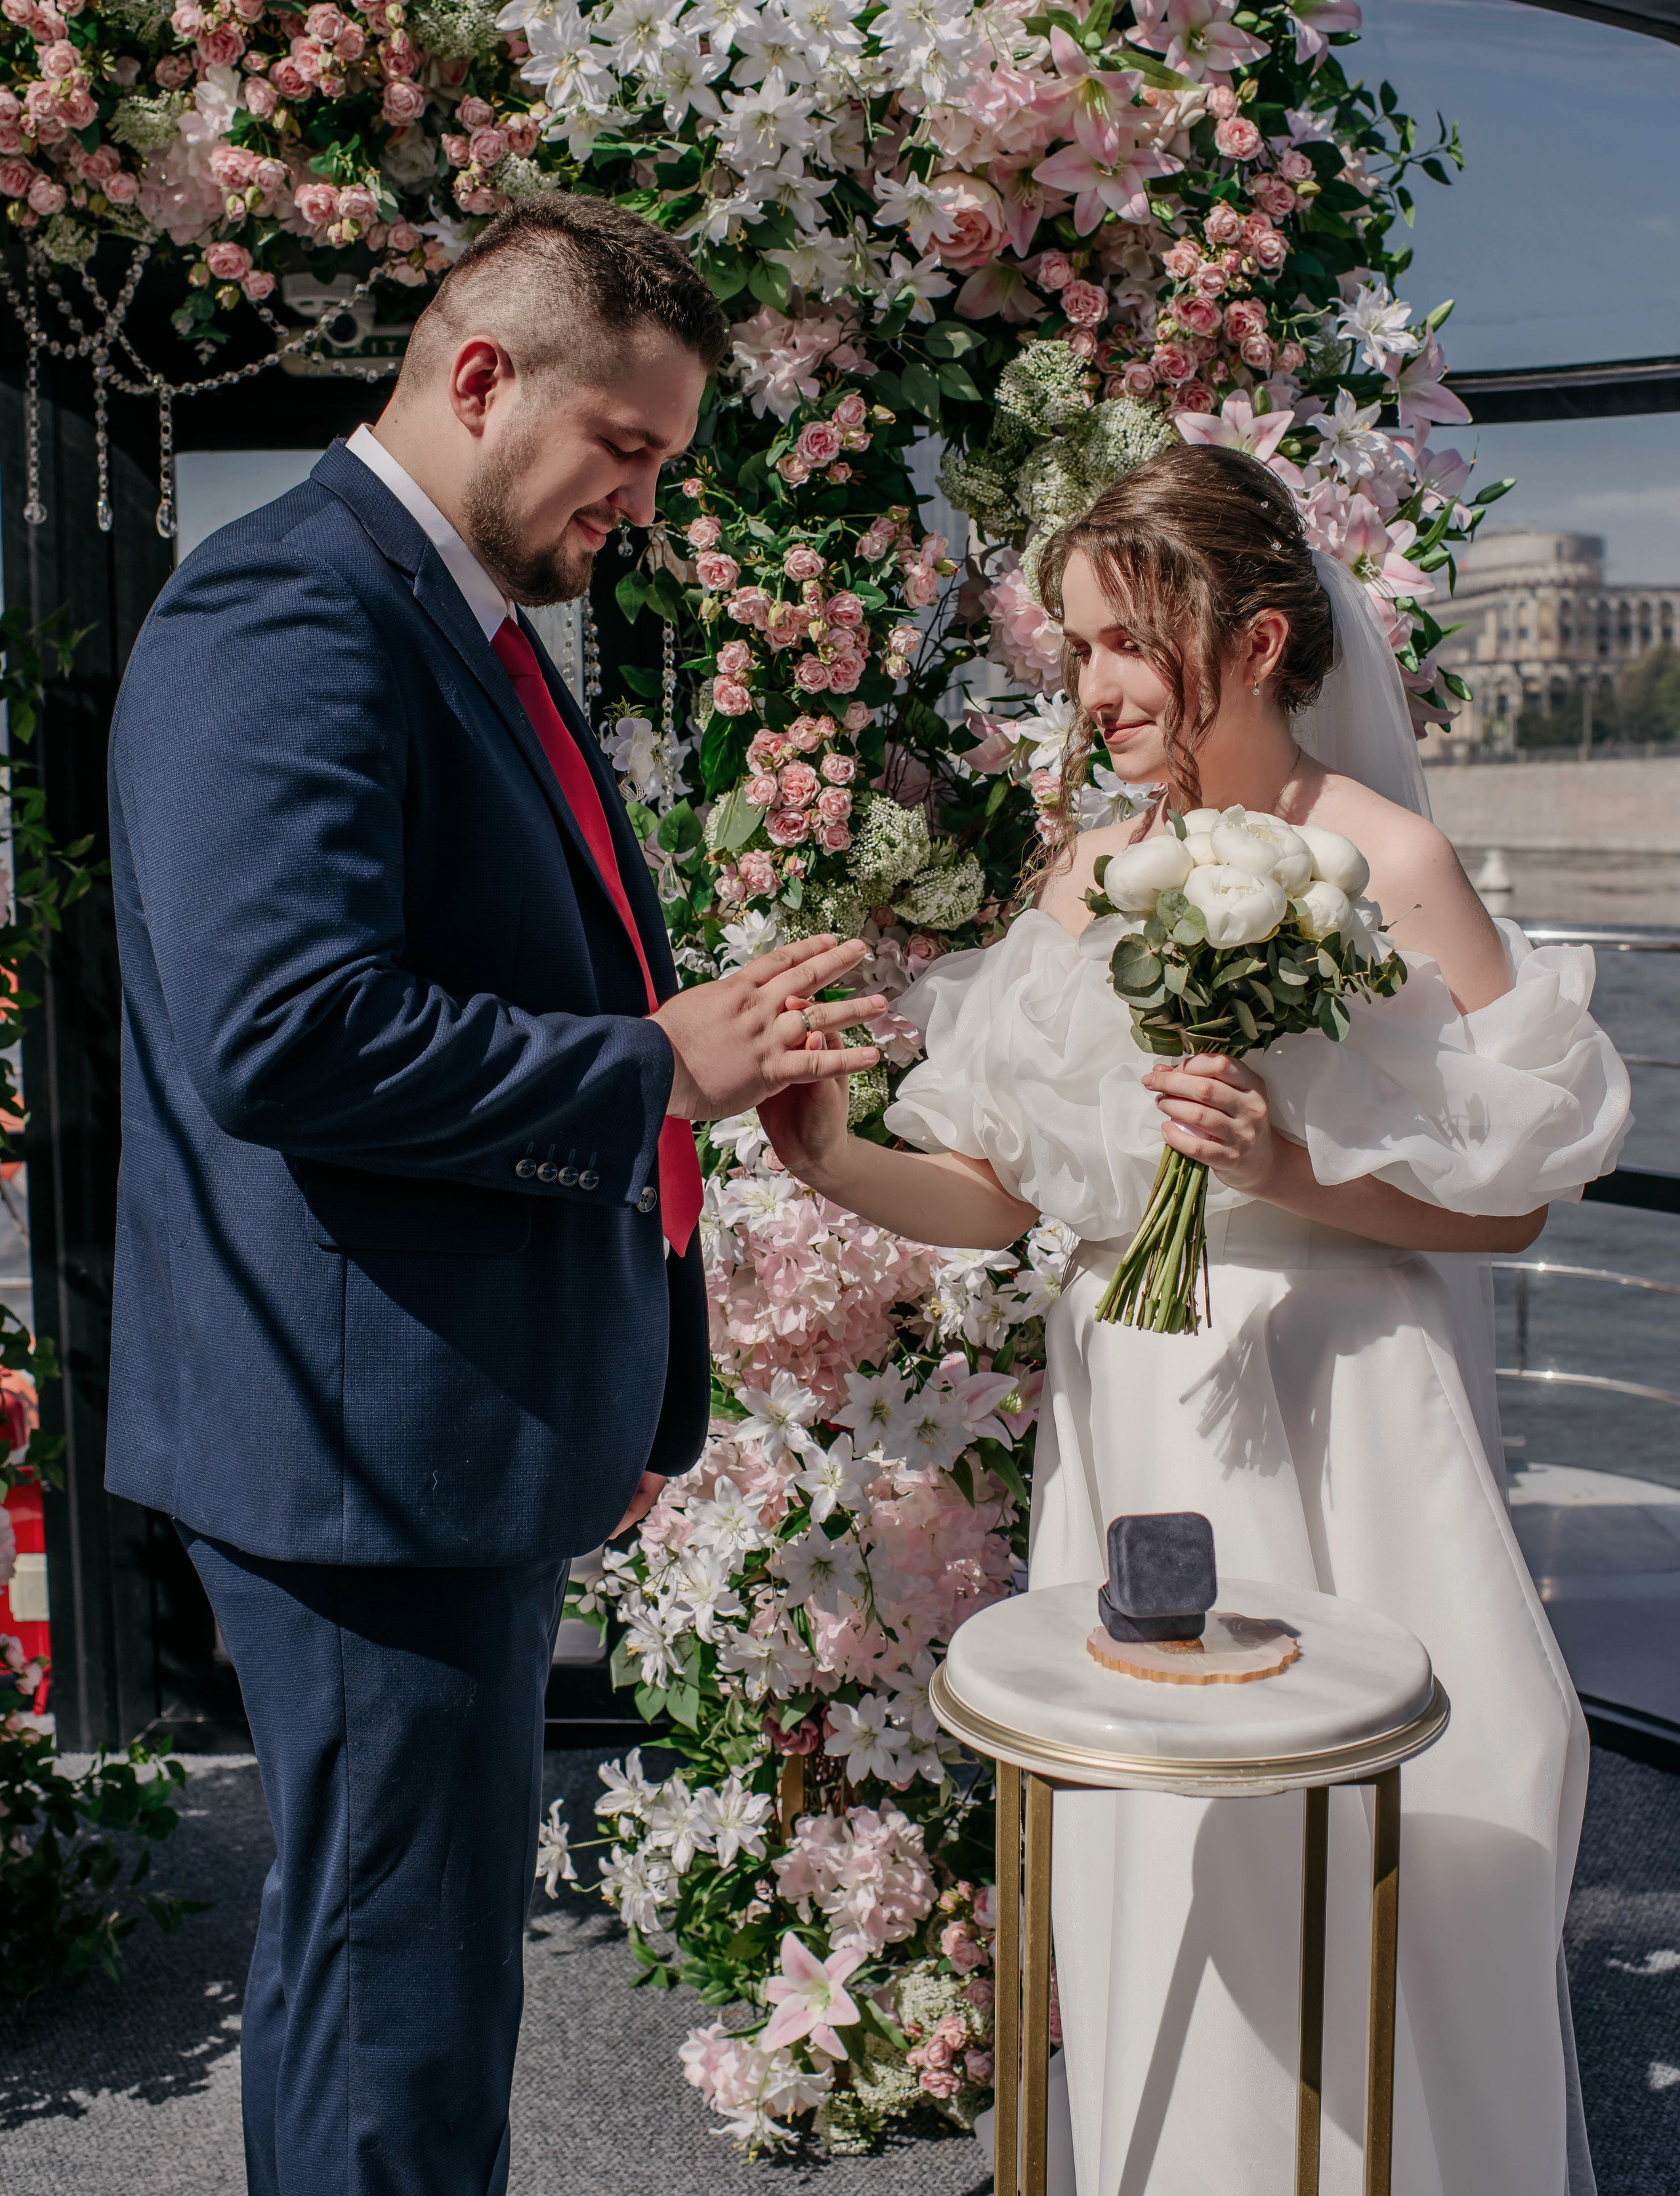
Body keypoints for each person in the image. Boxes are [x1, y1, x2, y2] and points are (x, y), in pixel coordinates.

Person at [104, 195, 885, 2196]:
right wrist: (663, 1068)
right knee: (398, 2008)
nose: (641, 497)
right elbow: (285, 1029)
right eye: (624, 447)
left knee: (393, 1979)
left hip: (446, 1426)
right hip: (369, 1458)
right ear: (479, 378)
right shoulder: (289, 610)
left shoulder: (454, 621)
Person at [761, 444, 1629, 2195]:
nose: (1094, 690)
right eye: (1077, 648)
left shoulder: (1388, 859)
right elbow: (1007, 1190)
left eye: (1123, 643)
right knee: (1165, 1841)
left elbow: (1517, 1193)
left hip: (1342, 1396)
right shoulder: (1088, 878)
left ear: (1253, 639)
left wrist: (1294, 1167)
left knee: (1405, 1816)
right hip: (1141, 1402)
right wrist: (840, 1158)